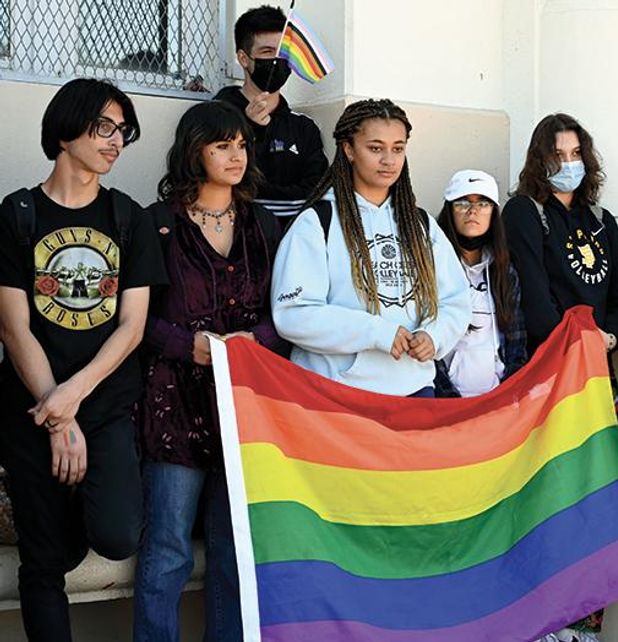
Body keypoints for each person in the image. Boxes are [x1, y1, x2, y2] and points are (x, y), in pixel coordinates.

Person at [0, 78, 167, 642]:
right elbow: (13, 326)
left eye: (123, 131)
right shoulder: (16, 214)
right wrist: (55, 412)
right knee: (44, 564)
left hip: (103, 405)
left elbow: (133, 325)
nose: (116, 140)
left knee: (119, 534)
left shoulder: (128, 218)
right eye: (104, 127)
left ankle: (66, 508)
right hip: (31, 410)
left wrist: (73, 399)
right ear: (66, 129)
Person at [133, 101, 285, 641]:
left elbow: (287, 312)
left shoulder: (263, 224)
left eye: (241, 144)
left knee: (232, 548)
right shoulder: (156, 223)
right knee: (169, 548)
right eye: (222, 144)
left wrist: (256, 341)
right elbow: (133, 319)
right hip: (175, 404)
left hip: (243, 405)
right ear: (193, 149)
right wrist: (186, 343)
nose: (235, 155)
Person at [504, 113, 618, 641]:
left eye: (575, 154)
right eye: (556, 155)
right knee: (551, 502)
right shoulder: (524, 212)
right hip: (551, 382)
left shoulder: (600, 219)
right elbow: (538, 303)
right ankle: (546, 622)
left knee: (601, 502)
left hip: (599, 379)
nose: (567, 164)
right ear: (540, 160)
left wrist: (607, 337)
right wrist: (578, 339)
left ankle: (586, 625)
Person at [271, 98, 470, 397]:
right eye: (375, 148)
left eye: (398, 148)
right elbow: (293, 315)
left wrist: (434, 335)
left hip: (413, 390)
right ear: (349, 150)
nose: (389, 160)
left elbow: (455, 300)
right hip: (337, 393)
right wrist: (377, 333)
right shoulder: (317, 222)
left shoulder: (420, 224)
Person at [214, 5, 329, 220]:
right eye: (267, 52)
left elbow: (317, 192)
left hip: (293, 242)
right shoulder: (213, 117)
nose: (277, 61)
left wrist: (261, 203)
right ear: (243, 58)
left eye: (282, 53)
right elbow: (219, 187)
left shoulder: (303, 127)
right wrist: (251, 130)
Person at [433, 170, 526, 397]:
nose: (473, 211)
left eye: (483, 203)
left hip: (496, 401)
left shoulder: (504, 270)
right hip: (446, 403)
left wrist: (508, 393)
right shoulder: (432, 267)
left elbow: (517, 342)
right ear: (449, 210)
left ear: (494, 213)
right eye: (463, 202)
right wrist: (448, 399)